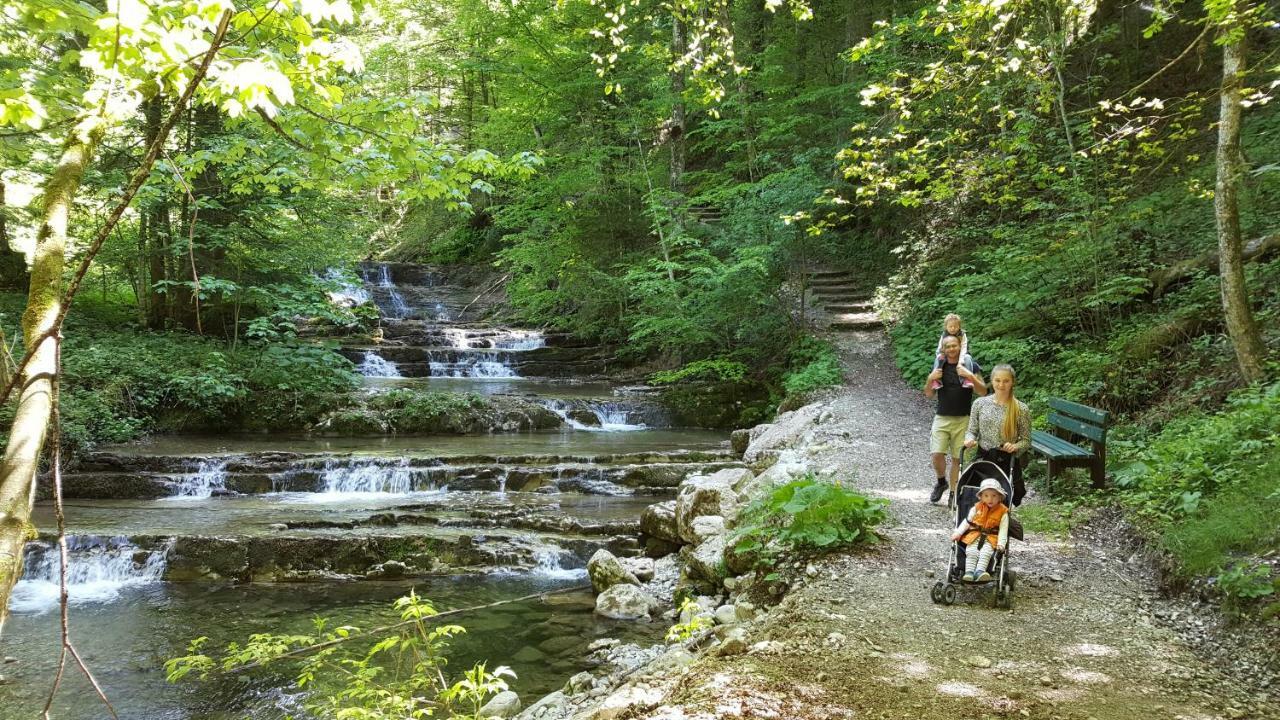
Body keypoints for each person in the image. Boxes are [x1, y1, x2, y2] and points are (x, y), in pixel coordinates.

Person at [924, 334, 987, 506]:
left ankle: (953, 492)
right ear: (943, 349)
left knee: (957, 459)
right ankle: (941, 482)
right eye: (948, 346)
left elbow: (983, 391)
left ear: (960, 346)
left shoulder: (970, 364)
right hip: (942, 417)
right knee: (936, 455)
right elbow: (929, 394)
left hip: (963, 419)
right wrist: (930, 379)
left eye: (954, 345)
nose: (951, 349)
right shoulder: (940, 364)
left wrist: (970, 375)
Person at [964, 363, 1031, 505]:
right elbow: (971, 431)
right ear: (992, 381)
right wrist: (969, 439)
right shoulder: (980, 403)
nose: (1001, 385)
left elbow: (1026, 441)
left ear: (1012, 382)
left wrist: (1015, 446)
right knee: (977, 498)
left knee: (1000, 501)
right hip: (983, 458)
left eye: (1006, 381)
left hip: (1006, 460)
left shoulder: (1021, 409)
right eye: (997, 380)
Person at [950, 478, 1009, 582]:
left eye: (994, 496)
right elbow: (967, 522)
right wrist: (958, 532)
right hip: (974, 536)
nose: (990, 499)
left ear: (1000, 497)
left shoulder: (1003, 512)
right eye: (986, 496)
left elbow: (1004, 530)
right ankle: (969, 572)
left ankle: (980, 572)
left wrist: (1002, 544)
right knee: (971, 552)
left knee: (985, 553)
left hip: (991, 539)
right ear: (981, 497)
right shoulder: (976, 508)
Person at [930, 314, 974, 389]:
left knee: (968, 358)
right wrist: (940, 355)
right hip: (947, 353)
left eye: (955, 326)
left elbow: (964, 348)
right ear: (946, 327)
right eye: (950, 326)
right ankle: (936, 380)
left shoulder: (962, 335)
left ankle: (967, 379)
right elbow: (940, 347)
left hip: (961, 354)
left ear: (959, 326)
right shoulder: (944, 334)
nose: (953, 328)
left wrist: (960, 361)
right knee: (939, 358)